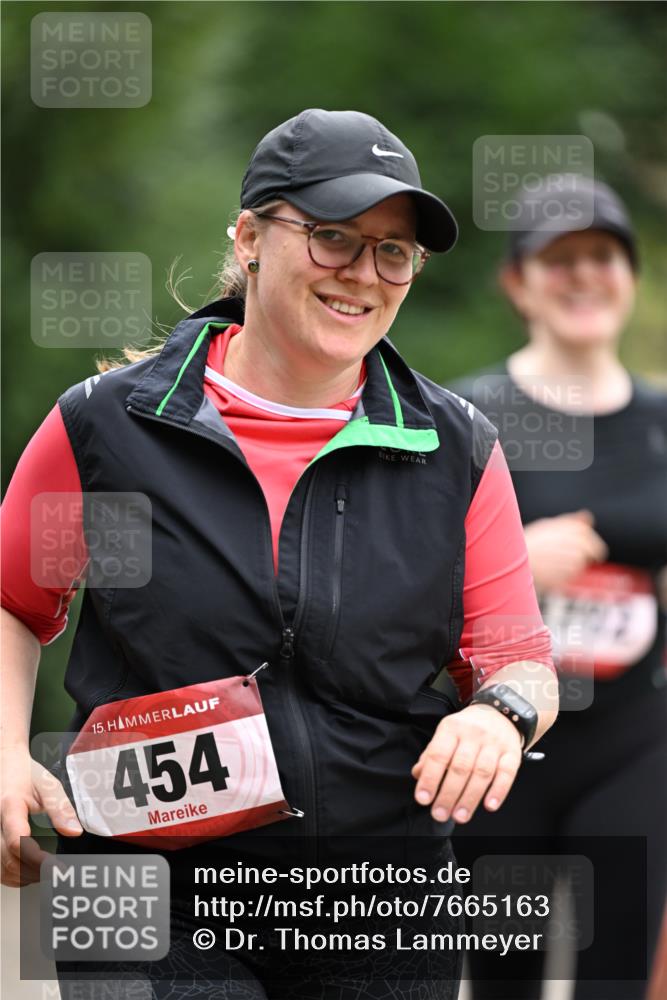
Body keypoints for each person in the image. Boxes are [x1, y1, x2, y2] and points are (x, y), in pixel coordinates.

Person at [1, 109, 557, 999]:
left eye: (393, 252)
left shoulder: (454, 449)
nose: (363, 275)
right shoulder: (109, 427)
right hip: (150, 884)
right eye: (333, 238)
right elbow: (15, 602)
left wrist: (500, 715)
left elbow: (518, 659)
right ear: (250, 237)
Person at [450, 177, 667, 1000]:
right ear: (516, 282)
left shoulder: (658, 421)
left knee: (617, 977)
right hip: (505, 747)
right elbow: (395, 581)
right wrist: (510, 557)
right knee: (507, 982)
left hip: (635, 742)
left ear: (629, 275)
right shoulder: (468, 416)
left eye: (602, 255)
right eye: (559, 257)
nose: (583, 275)